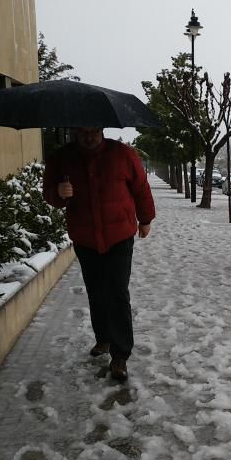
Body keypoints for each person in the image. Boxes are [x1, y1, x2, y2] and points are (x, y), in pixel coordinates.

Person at [43, 127, 155, 381]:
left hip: (119, 234)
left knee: (116, 293)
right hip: (85, 236)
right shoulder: (61, 158)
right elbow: (48, 192)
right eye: (82, 132)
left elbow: (140, 187)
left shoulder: (123, 154)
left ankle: (120, 355)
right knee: (95, 291)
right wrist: (58, 194)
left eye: (93, 131)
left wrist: (145, 218)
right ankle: (103, 338)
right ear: (74, 132)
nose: (88, 136)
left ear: (102, 131)